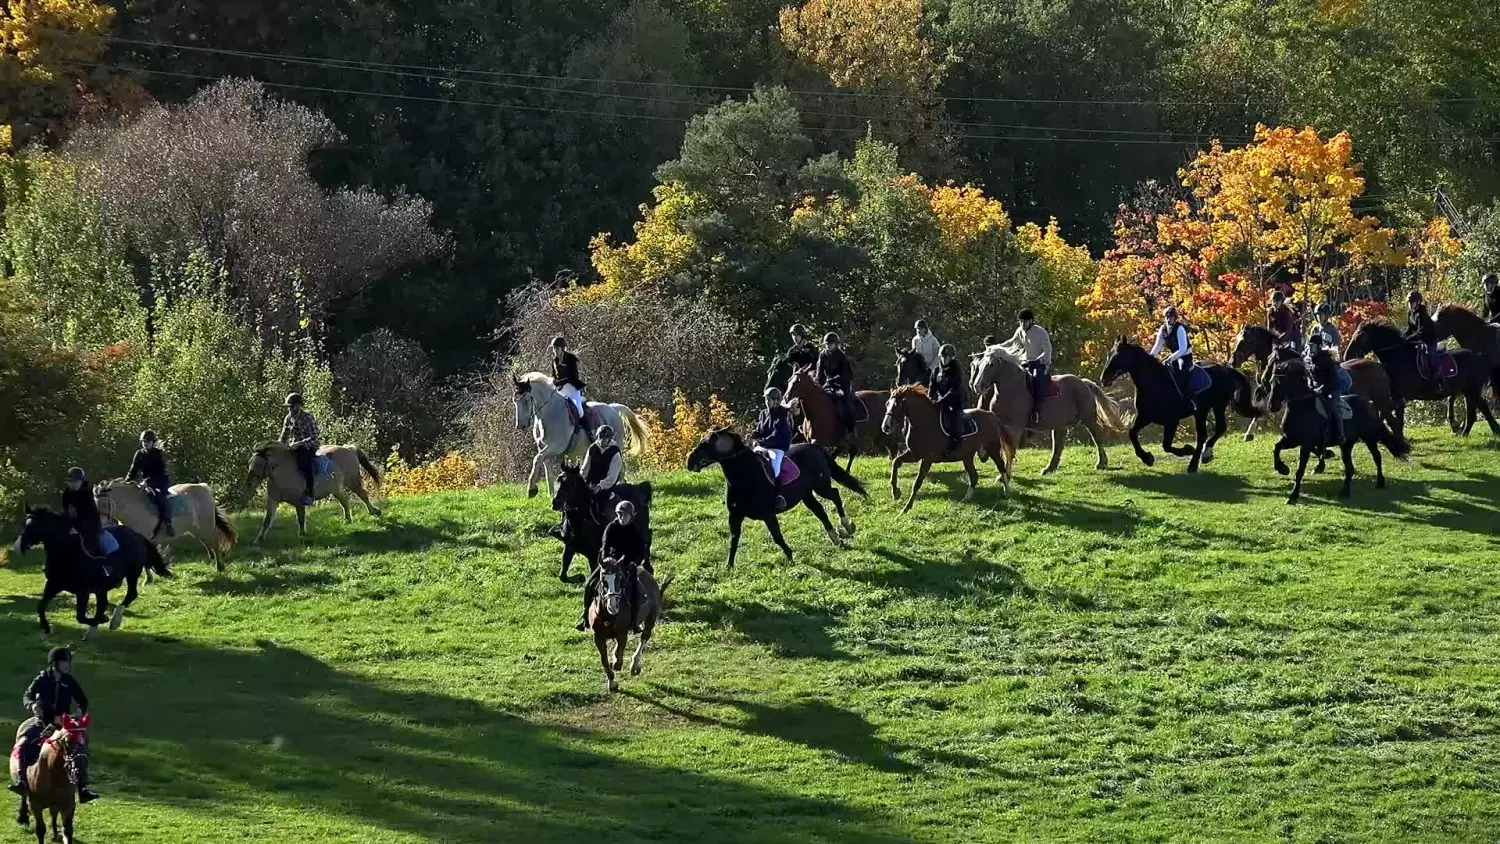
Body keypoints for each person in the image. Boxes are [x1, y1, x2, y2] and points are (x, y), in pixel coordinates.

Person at [10, 647, 97, 803]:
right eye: (64, 662)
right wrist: (32, 705)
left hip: (63, 724)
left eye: (67, 662)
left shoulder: (69, 681)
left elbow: (83, 701)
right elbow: (27, 696)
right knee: (23, 743)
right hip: (42, 722)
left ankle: (83, 788)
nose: (67, 665)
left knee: (80, 747)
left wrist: (78, 712)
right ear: (54, 663)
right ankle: (21, 781)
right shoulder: (42, 679)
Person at [576, 501, 649, 632]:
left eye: (625, 515)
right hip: (609, 564)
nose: (622, 517)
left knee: (635, 591)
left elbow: (640, 551)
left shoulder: (635, 531)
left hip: (627, 565)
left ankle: (634, 621)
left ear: (631, 516)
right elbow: (605, 547)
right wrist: (606, 560)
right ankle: (585, 617)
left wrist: (634, 562)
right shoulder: (611, 528)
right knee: (589, 584)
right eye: (620, 514)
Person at [1000, 308, 1053, 425]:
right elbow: (1012, 342)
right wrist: (998, 347)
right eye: (1020, 321)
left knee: (1035, 380)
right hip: (1026, 363)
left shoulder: (1041, 332)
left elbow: (1048, 350)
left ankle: (1037, 411)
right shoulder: (1020, 331)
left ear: (1031, 321)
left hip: (1040, 364)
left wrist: (1039, 360)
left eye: (1024, 321)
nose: (1022, 324)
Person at [125, 429, 174, 538]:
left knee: (159, 497)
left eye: (148, 441)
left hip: (159, 482)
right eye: (144, 441)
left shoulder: (158, 454)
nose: (145, 443)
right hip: (145, 483)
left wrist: (147, 482)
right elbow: (133, 470)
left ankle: (167, 523)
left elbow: (160, 472)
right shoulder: (139, 454)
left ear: (153, 442)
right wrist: (127, 481)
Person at [752, 387, 794, 509]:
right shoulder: (763, 413)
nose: (766, 402)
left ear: (776, 400)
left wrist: (762, 441)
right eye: (765, 399)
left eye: (768, 399)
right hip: (763, 445)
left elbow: (776, 434)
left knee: (774, 468)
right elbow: (760, 430)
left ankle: (779, 496)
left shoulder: (782, 414)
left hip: (777, 447)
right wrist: (755, 435)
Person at [279, 393, 320, 506]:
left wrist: (300, 443)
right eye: (288, 407)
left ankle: (310, 493)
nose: (289, 409)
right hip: (294, 446)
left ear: (298, 406)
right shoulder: (288, 418)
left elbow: (314, 436)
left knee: (304, 463)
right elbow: (284, 436)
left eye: (291, 406)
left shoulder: (307, 418)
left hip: (309, 446)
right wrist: (278, 448)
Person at [1305, 332, 1344, 444]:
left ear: (1318, 346)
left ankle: (1340, 435)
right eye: (1310, 345)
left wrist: (1322, 388)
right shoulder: (1309, 360)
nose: (1310, 347)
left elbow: (1333, 380)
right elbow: (1310, 377)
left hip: (1332, 390)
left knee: (1333, 408)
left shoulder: (1326, 360)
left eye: (1312, 345)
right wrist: (1310, 387)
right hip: (1317, 390)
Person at [815, 332, 857, 434]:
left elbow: (847, 376)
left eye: (830, 343)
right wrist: (819, 383)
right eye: (826, 343)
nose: (828, 345)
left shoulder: (842, 357)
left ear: (836, 344)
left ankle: (850, 431)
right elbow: (819, 372)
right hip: (828, 384)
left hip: (842, 384)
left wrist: (838, 386)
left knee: (846, 405)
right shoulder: (822, 354)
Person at [580, 426, 625, 520]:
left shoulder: (615, 452)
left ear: (610, 438)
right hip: (590, 483)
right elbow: (585, 468)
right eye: (601, 437)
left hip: (607, 486)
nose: (602, 440)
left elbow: (612, 476)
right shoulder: (592, 448)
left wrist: (600, 486)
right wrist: (582, 481)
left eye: (605, 438)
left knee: (603, 505)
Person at [1150, 306, 1195, 398]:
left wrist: (1170, 358)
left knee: (1181, 371)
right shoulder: (1163, 329)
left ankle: (1187, 398)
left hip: (1184, 356)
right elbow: (1157, 346)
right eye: (1166, 316)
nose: (1168, 319)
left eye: (1170, 317)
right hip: (1174, 356)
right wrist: (1149, 357)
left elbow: (1183, 349)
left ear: (1174, 317)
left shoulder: (1179, 328)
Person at [551, 336, 591, 438]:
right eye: (554, 348)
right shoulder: (554, 360)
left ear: (563, 348)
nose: (555, 351)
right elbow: (553, 375)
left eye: (557, 348)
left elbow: (572, 377)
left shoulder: (570, 359)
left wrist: (560, 383)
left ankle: (589, 432)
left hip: (572, 387)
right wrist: (554, 381)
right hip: (561, 389)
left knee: (579, 410)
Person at [929, 344, 967, 452]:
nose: (944, 359)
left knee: (954, 418)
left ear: (951, 357)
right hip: (940, 401)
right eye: (942, 356)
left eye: (946, 357)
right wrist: (930, 399)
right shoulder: (936, 370)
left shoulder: (955, 370)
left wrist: (942, 400)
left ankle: (956, 442)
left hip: (954, 401)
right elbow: (932, 387)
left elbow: (954, 389)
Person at [61, 467, 102, 559]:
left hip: (90, 524)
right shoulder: (66, 493)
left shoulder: (86, 494)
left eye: (76, 482)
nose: (73, 484)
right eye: (70, 482)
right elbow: (65, 510)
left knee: (90, 542)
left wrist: (78, 528)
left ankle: (98, 559)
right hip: (73, 524)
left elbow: (89, 515)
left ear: (82, 482)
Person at [1404, 289, 1442, 379]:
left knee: (1430, 355)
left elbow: (1421, 331)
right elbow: (1410, 328)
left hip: (1430, 339)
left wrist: (1410, 338)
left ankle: (1439, 377)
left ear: (1418, 302)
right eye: (1409, 302)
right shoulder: (1410, 313)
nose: (1410, 304)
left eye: (1411, 302)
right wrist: (1403, 337)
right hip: (1420, 338)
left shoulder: (1422, 314)